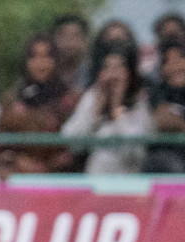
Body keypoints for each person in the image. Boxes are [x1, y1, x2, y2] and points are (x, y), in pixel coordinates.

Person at [0, 35, 79, 175]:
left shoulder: (70, 99)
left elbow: (74, 144)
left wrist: (49, 166)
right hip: (18, 176)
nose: (41, 63)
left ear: (55, 60)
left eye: (46, 57)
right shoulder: (12, 98)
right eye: (34, 57)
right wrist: (17, 160)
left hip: (60, 178)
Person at [63, 40, 151, 175]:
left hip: (129, 182)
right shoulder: (92, 97)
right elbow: (72, 141)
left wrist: (117, 108)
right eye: (107, 68)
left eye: (118, 68)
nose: (112, 75)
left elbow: (134, 151)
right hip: (94, 180)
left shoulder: (139, 101)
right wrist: (95, 112)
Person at [144, 41, 185, 174]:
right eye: (169, 62)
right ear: (162, 68)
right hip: (161, 154)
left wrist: (180, 125)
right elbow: (163, 119)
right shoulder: (157, 90)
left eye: (181, 59)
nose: (176, 66)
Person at [51, 15, 91, 91]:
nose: (68, 42)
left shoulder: (93, 74)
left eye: (75, 36)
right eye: (63, 36)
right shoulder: (44, 72)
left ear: (85, 42)